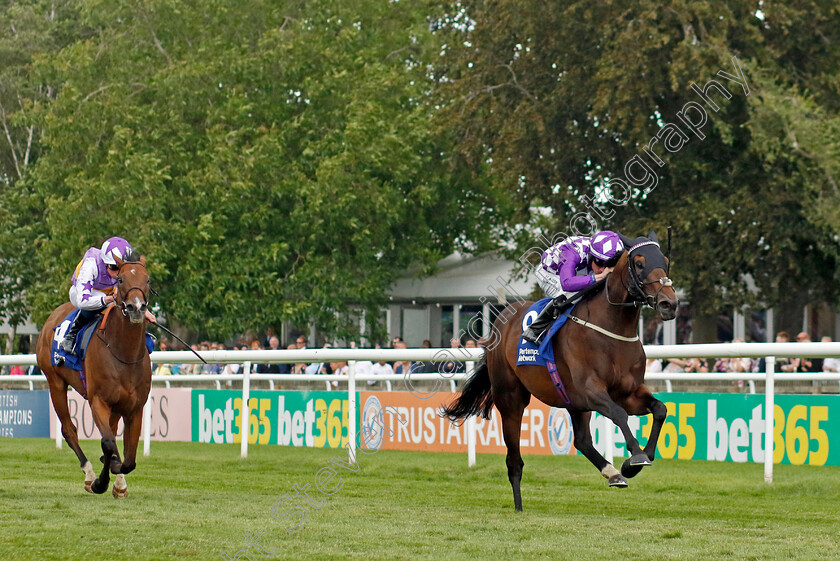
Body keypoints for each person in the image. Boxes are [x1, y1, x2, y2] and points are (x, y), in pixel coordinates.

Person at [522, 231, 625, 344]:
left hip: (578, 269)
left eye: (609, 264)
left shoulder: (600, 253)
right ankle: (535, 330)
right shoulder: (571, 252)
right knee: (572, 294)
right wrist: (597, 277)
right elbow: (567, 283)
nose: (603, 269)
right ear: (591, 254)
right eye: (600, 263)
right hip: (549, 274)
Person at [59, 236, 156, 354]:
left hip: (110, 291)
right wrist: (110, 298)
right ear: (105, 263)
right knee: (110, 301)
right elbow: (82, 301)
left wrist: (145, 311)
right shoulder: (91, 264)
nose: (117, 273)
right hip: (84, 293)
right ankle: (71, 335)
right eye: (114, 267)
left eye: (121, 268)